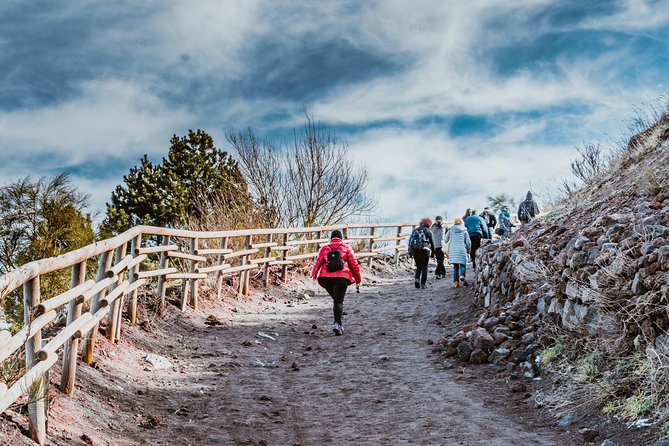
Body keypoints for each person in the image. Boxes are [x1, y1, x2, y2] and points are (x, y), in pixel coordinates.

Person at [311, 229, 362, 336]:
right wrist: (358, 280)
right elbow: (354, 265)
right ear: (341, 238)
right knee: (338, 302)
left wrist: (313, 275)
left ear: (331, 238)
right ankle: (337, 324)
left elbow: (318, 262)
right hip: (342, 278)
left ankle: (338, 318)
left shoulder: (324, 248)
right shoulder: (346, 247)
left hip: (325, 279)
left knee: (337, 300)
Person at [408, 218, 435, 289]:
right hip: (425, 250)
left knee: (419, 266)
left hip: (415, 250)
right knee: (424, 267)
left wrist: (410, 251)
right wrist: (433, 253)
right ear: (428, 224)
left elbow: (410, 241)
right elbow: (432, 243)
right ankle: (423, 284)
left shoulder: (415, 230)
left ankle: (417, 279)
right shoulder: (428, 231)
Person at [444, 217, 471, 288]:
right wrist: (468, 250)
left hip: (453, 249)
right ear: (461, 222)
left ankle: (455, 282)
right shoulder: (464, 230)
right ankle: (462, 275)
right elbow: (468, 242)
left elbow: (445, 240)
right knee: (462, 264)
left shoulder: (451, 230)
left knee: (455, 266)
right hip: (461, 248)